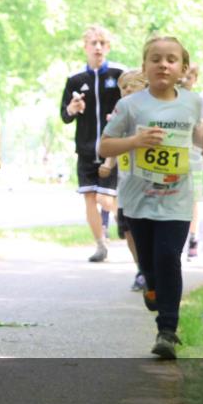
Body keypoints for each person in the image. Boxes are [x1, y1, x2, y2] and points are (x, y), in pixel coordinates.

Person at [100, 36, 203, 359]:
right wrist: (135, 140)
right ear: (145, 66)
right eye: (156, 59)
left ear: (182, 68)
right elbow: (104, 147)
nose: (163, 64)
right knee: (149, 262)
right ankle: (150, 283)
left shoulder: (192, 102)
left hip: (176, 200)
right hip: (138, 200)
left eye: (171, 59)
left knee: (169, 258)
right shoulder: (130, 106)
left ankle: (167, 330)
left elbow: (196, 132)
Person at [60, 25, 124, 262]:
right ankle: (100, 245)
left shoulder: (119, 74)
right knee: (89, 197)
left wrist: (119, 117)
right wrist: (72, 108)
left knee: (106, 198)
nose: (98, 47)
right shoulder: (75, 79)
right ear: (85, 47)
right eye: (93, 43)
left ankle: (125, 220)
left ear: (108, 47)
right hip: (86, 149)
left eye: (102, 43)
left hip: (112, 149)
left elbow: (133, 103)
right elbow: (65, 116)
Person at [99, 69, 148, 291]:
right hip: (126, 184)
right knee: (128, 230)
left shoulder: (152, 112)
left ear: (145, 87)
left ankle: (154, 268)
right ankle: (142, 269)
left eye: (132, 85)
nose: (127, 90)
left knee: (148, 230)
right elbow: (112, 142)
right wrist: (108, 164)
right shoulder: (119, 114)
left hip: (150, 184)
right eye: (123, 87)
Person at [178, 65, 203, 258]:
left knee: (193, 198)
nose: (184, 80)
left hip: (194, 157)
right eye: (182, 76)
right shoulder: (169, 98)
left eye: (189, 77)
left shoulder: (200, 101)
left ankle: (193, 237)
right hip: (174, 158)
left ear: (195, 79)